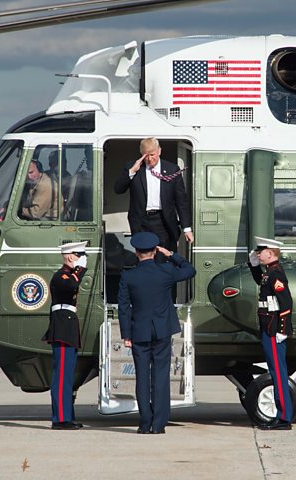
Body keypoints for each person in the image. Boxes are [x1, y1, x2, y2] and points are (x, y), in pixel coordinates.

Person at [117, 232, 196, 434]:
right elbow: (190, 270)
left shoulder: (128, 276)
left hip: (139, 332)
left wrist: (126, 334)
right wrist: (171, 255)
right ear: (155, 251)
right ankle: (158, 424)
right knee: (161, 377)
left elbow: (124, 307)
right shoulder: (166, 271)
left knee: (142, 378)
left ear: (136, 253)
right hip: (162, 331)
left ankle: (145, 422)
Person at [114, 137, 193, 261]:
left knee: (163, 260)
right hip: (141, 221)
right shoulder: (133, 167)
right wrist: (131, 172)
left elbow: (181, 201)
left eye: (152, 155)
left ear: (159, 151)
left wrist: (187, 228)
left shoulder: (172, 169)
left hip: (163, 221)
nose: (150, 159)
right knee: (144, 261)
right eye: (146, 156)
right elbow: (118, 189)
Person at [248, 236, 294, 430]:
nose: (259, 254)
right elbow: (261, 280)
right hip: (268, 328)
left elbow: (286, 303)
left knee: (278, 374)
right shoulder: (269, 273)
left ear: (271, 253)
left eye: (261, 252)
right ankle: (281, 415)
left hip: (274, 330)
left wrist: (283, 329)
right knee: (275, 373)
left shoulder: (277, 275)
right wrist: (253, 266)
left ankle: (283, 417)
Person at [42, 241, 88, 430]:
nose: (82, 259)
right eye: (79, 255)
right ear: (70, 256)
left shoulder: (68, 274)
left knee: (67, 376)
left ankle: (66, 416)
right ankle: (60, 419)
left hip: (67, 327)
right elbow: (70, 285)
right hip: (62, 327)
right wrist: (81, 270)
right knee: (61, 376)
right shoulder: (61, 276)